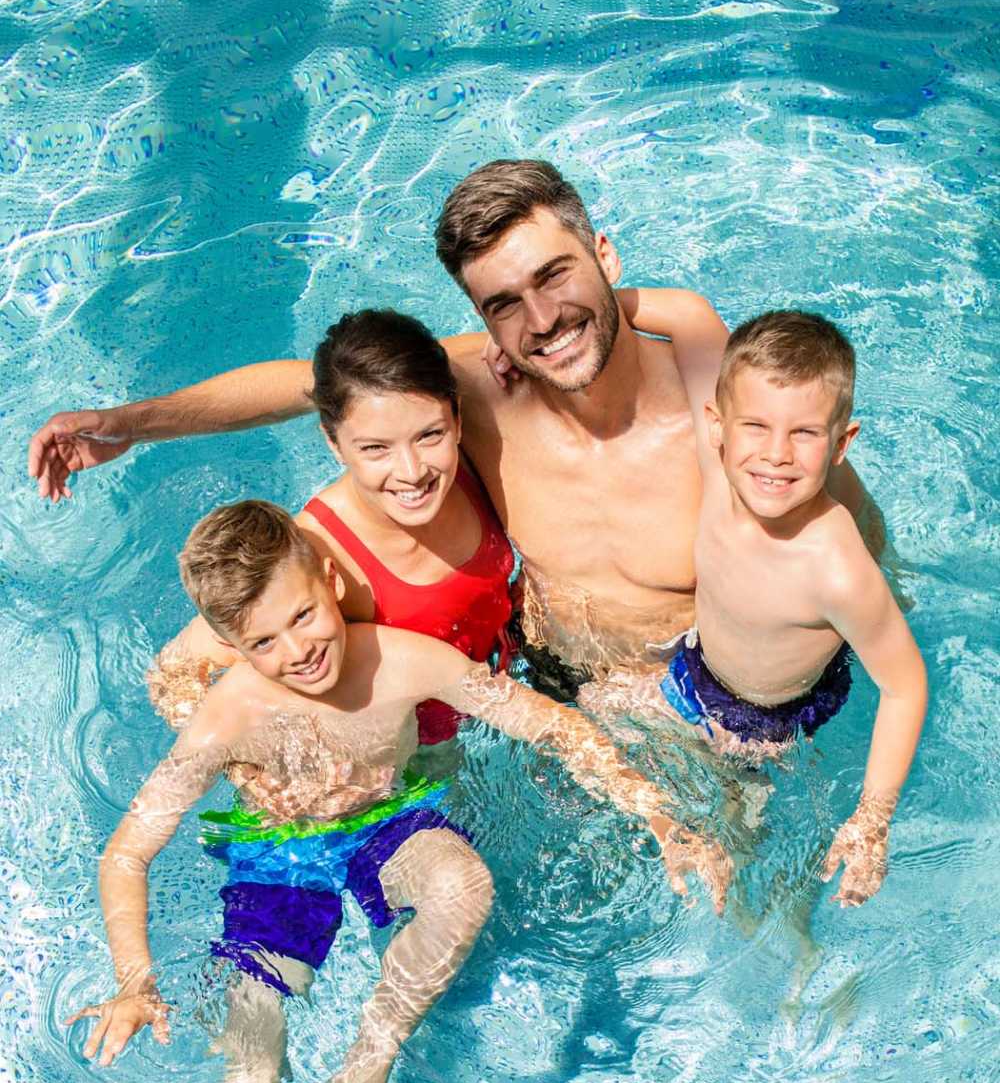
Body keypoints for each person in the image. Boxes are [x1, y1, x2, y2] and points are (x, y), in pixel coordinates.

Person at [67, 500, 730, 1083]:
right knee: (249, 1076)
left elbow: (554, 728)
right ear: (232, 649)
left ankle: (360, 1072)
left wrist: (655, 811)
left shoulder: (403, 662)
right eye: (261, 643)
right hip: (280, 858)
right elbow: (127, 852)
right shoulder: (228, 715)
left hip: (386, 821)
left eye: (304, 617)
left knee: (465, 885)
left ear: (332, 580)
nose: (298, 651)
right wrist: (134, 979)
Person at [27, 159, 877, 688]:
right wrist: (132, 423)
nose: (541, 321)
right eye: (504, 304)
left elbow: (843, 527)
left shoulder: (717, 408)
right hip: (541, 683)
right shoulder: (476, 389)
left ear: (607, 259)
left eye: (556, 276)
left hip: (705, 698)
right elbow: (311, 382)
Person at [582, 309, 927, 908]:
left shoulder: (834, 566)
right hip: (692, 675)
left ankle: (790, 954)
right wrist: (555, 324)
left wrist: (872, 821)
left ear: (842, 443)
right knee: (582, 715)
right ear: (717, 426)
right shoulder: (720, 477)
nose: (776, 455)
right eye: (757, 427)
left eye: (805, 433)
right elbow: (688, 321)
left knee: (736, 870)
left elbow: (905, 687)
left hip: (763, 727)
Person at [153, 307, 516, 752]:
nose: (412, 471)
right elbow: (175, 674)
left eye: (429, 435)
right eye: (375, 448)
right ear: (333, 442)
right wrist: (248, 762)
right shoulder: (317, 552)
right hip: (415, 756)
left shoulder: (471, 465)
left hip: (503, 690)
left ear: (457, 419)